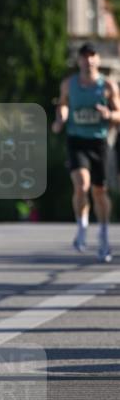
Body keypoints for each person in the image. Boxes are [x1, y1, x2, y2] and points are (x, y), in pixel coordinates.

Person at [52, 43, 120, 262]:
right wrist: (61, 118)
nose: (88, 61)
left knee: (100, 191)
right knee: (81, 184)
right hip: (77, 140)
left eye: (92, 56)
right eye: (84, 57)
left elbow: (119, 114)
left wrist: (108, 114)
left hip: (99, 142)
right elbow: (63, 105)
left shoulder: (108, 85)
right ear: (79, 61)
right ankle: (82, 226)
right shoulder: (69, 84)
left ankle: (102, 232)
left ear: (98, 60)